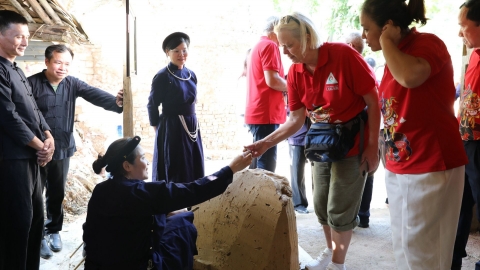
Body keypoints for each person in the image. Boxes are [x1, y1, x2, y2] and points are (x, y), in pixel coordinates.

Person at [245, 12, 380, 270]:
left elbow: (373, 100)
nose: (284, 51)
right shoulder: (295, 71)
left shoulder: (343, 55)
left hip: (352, 142)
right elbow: (296, 119)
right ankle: (330, 256)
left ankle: (337, 265)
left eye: (290, 45)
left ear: (307, 38)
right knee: (321, 206)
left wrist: (373, 146)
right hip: (322, 142)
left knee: (340, 207)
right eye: (281, 45)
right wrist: (265, 143)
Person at [360, 0, 469, 269]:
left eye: (367, 28)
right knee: (406, 247)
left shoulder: (427, 44)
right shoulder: (397, 54)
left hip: (430, 161)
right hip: (404, 162)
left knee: (422, 253)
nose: (364, 35)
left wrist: (386, 42)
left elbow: (410, 77)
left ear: (387, 27)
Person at [82, 136, 252, 269]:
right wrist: (231, 169)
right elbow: (194, 190)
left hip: (99, 266)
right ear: (127, 166)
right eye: (142, 158)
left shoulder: (101, 190)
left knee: (173, 217)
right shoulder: (142, 194)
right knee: (184, 222)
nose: (147, 162)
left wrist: (163, 212)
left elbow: (119, 221)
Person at [28, 44, 124, 259]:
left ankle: (53, 230)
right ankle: (38, 236)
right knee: (35, 194)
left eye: (67, 64)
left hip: (62, 147)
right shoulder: (31, 84)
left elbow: (94, 94)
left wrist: (117, 102)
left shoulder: (72, 84)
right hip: (38, 150)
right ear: (47, 62)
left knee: (57, 192)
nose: (62, 67)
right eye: (57, 62)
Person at [0, 10, 55, 270]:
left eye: (26, 37)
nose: (24, 42)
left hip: (33, 158)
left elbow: (33, 108)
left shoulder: (16, 69)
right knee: (17, 223)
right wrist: (40, 145)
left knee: (35, 219)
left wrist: (49, 135)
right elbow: (8, 116)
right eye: (18, 36)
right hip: (12, 159)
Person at [147, 32, 204, 183]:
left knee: (193, 164)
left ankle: (195, 199)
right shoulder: (162, 76)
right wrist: (157, 129)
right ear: (168, 52)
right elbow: (152, 104)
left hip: (191, 125)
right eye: (176, 51)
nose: (181, 54)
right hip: (172, 127)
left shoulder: (191, 75)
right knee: (176, 167)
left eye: (184, 50)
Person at [453, 1, 480, 269]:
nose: (460, 34)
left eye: (463, 26)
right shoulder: (473, 56)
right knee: (460, 203)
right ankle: (453, 258)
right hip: (465, 141)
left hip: (479, 143)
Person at [245, 16, 287, 173]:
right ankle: (263, 198)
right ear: (277, 30)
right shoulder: (270, 45)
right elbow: (273, 81)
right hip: (266, 113)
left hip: (259, 112)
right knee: (266, 168)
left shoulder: (258, 45)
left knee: (257, 164)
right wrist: (296, 88)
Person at [345, 31, 376, 228]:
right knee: (366, 170)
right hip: (364, 126)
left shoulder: (357, 66)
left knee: (361, 169)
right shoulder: (365, 65)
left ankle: (358, 215)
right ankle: (362, 216)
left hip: (361, 127)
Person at [288, 114, 310, 214]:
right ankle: (298, 203)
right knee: (296, 170)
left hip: (316, 134)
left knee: (320, 172)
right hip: (296, 136)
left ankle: (323, 205)